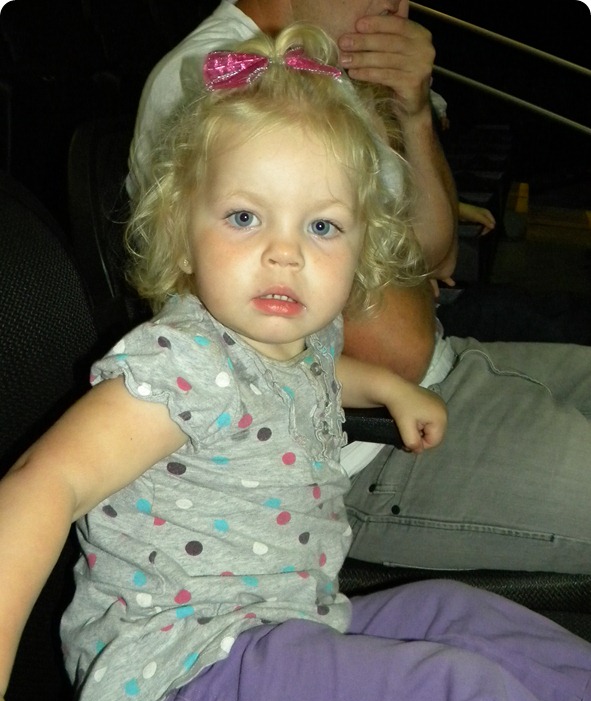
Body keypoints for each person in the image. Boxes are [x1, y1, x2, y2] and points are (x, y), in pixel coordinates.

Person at [2, 25, 591, 701]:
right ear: (180, 231)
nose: (286, 252)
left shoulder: (293, 340)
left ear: (361, 249)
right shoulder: (180, 364)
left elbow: (316, 370)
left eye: (322, 226)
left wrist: (387, 386)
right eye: (244, 217)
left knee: (460, 614)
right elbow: (42, 484)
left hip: (291, 624)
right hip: (176, 684)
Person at [127, 0, 591, 575]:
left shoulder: (321, 74)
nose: (399, 6)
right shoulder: (214, 76)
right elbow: (391, 347)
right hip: (363, 452)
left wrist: (413, 113)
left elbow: (438, 254)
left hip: (433, 375)